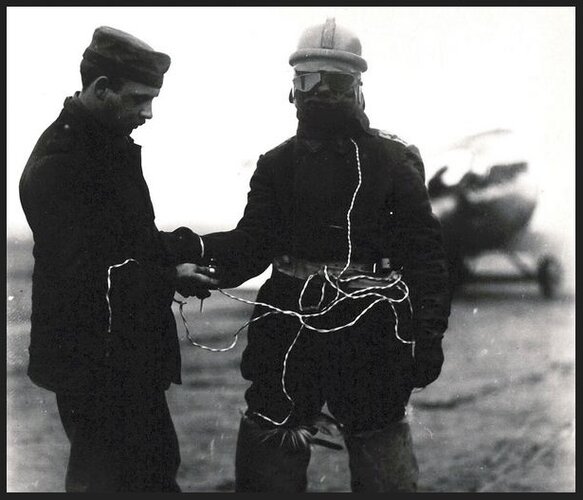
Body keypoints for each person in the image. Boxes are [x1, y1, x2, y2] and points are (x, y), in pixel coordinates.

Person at [188, 18, 451, 492]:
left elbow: (427, 259)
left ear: (358, 89)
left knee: (384, 469)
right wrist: (188, 255)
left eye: (336, 81)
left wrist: (427, 339)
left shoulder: (394, 162)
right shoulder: (276, 165)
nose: (319, 93)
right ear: (292, 89)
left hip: (372, 337)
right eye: (307, 80)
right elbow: (252, 245)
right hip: (287, 335)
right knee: (269, 466)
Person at [19, 26, 217, 492]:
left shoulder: (101, 146)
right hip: (94, 367)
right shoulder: (62, 162)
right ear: (101, 87)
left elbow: (128, 241)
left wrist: (190, 250)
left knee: (150, 472)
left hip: (123, 360)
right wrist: (170, 273)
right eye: (138, 99)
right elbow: (87, 275)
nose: (148, 113)